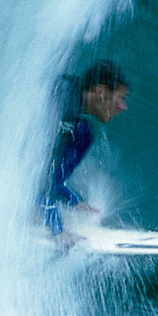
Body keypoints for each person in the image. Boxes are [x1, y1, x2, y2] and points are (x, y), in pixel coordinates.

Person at [41, 60, 129, 246]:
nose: (123, 107)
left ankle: (43, 205)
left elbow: (50, 177)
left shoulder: (71, 99)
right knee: (82, 131)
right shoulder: (63, 107)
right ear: (100, 92)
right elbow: (39, 179)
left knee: (84, 132)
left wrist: (73, 201)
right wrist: (58, 231)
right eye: (120, 98)